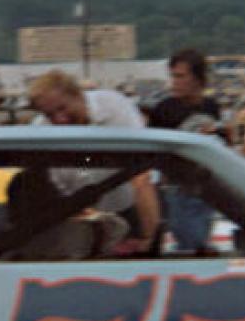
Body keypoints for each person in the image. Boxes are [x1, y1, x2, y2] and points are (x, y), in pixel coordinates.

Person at [29, 69, 161, 254]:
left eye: (62, 108)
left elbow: (141, 176)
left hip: (131, 210)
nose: (59, 119)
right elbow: (49, 188)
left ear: (77, 95)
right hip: (76, 218)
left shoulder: (114, 107)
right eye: (49, 115)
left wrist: (150, 239)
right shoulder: (39, 130)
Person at [148, 48, 221, 253]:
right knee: (191, 245)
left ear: (197, 78)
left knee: (199, 245)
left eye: (180, 76)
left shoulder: (211, 107)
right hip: (177, 188)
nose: (175, 82)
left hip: (206, 187)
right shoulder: (164, 109)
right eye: (173, 76)